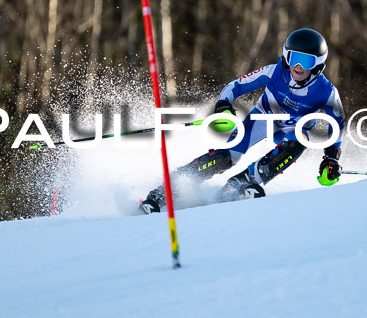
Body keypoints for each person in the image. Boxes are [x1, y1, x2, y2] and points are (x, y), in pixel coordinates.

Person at [140, 28, 345, 214]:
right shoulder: (274, 72)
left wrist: (331, 157)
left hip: (293, 129)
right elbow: (235, 86)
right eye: (293, 58)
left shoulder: (326, 91)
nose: (298, 66)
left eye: (306, 61)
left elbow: (337, 123)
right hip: (263, 117)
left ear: (318, 65)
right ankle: (167, 189)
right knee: (227, 156)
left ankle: (243, 182)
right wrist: (224, 106)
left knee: (299, 140)